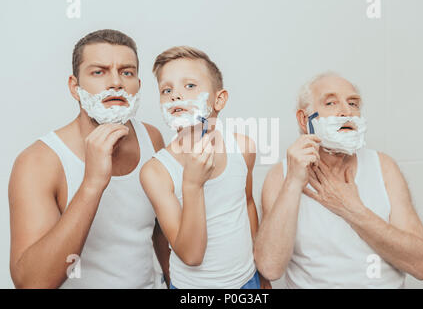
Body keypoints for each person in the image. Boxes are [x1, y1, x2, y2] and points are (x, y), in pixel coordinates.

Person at [8, 29, 170, 288]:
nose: (116, 82)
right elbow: (32, 283)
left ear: (138, 85)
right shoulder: (38, 162)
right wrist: (91, 185)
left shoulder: (152, 138)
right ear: (75, 87)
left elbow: (162, 231)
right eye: (99, 72)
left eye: (127, 72)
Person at [254, 72, 423, 288]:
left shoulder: (384, 168)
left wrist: (352, 209)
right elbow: (270, 268)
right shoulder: (280, 176)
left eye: (353, 103)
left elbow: (422, 265)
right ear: (304, 120)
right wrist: (293, 182)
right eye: (331, 103)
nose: (346, 112)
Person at [140, 46, 271, 289]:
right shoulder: (156, 172)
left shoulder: (242, 147)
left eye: (189, 86)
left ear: (219, 99)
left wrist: (261, 272)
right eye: (166, 89)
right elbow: (191, 255)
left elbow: (248, 202)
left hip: (247, 280)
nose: (175, 95)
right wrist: (192, 184)